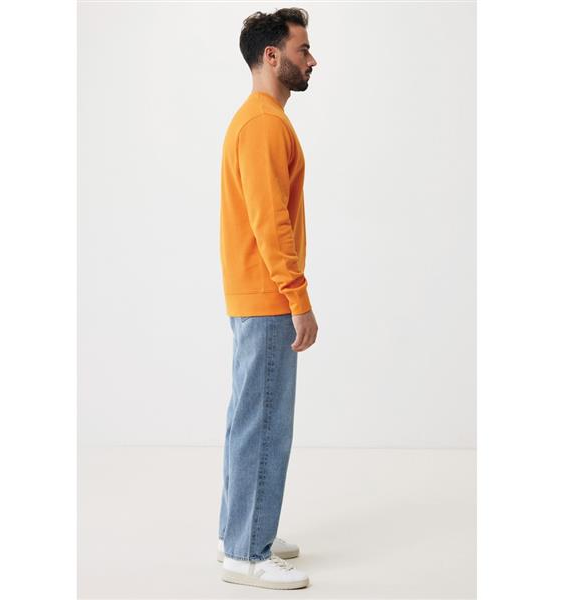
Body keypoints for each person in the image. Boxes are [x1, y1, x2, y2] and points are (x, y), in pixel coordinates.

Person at [217, 7, 319, 591]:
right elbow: (270, 220)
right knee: (263, 423)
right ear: (272, 56)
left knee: (249, 418)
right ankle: (247, 553)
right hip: (267, 295)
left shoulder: (261, 120)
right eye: (303, 49)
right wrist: (297, 296)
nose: (312, 60)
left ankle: (244, 528)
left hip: (255, 292)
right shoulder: (262, 124)